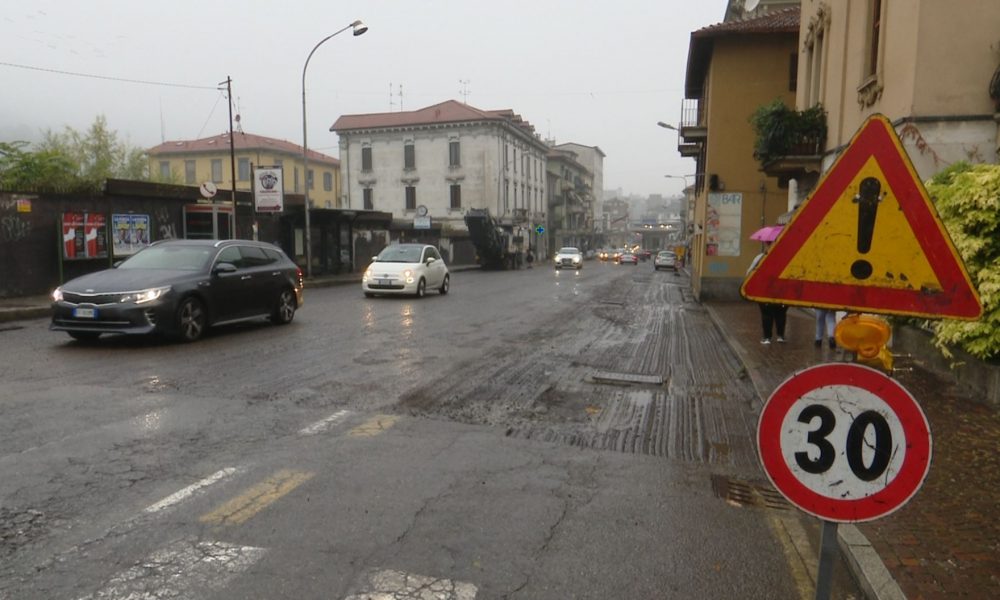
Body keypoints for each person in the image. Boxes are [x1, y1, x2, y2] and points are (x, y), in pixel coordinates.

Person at [746, 241, 788, 345]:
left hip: (765, 292)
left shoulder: (760, 257)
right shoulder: (785, 257)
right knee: (781, 314)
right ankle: (780, 336)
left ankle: (767, 337)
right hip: (781, 292)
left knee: (766, 314)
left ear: (766, 244)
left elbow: (749, 271)